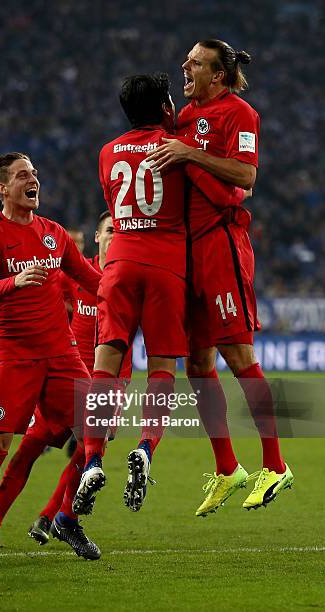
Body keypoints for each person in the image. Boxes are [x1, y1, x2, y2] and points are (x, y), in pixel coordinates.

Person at [73, 73, 249, 516]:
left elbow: (116, 203)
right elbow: (218, 190)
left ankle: (92, 458)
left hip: (119, 264)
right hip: (167, 268)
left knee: (106, 362)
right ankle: (147, 447)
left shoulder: (106, 152)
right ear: (166, 106)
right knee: (163, 367)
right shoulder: (175, 149)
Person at [147, 39, 293, 516]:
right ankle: (229, 468)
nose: (185, 66)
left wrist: (189, 153)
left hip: (219, 244)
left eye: (196, 63)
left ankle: (276, 464)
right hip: (182, 250)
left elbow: (245, 176)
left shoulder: (239, 114)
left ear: (219, 75)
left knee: (238, 354)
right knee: (197, 364)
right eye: (186, 60)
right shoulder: (183, 116)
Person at [0, 212, 131, 558]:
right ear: (97, 235)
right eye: (110, 230)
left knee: (93, 440)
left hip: (91, 372)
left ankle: (61, 517)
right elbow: (29, 302)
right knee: (15, 450)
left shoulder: (125, 280)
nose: (115, 236)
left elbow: (131, 326)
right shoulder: (68, 272)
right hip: (41, 363)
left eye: (121, 231)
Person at [0, 151, 101, 566]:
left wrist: (139, 289)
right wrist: (15, 280)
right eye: (23, 175)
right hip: (15, 357)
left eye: (35, 172)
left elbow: (92, 281)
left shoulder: (54, 234)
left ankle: (64, 517)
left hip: (61, 355)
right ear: (4, 187)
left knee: (97, 430)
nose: (32, 179)